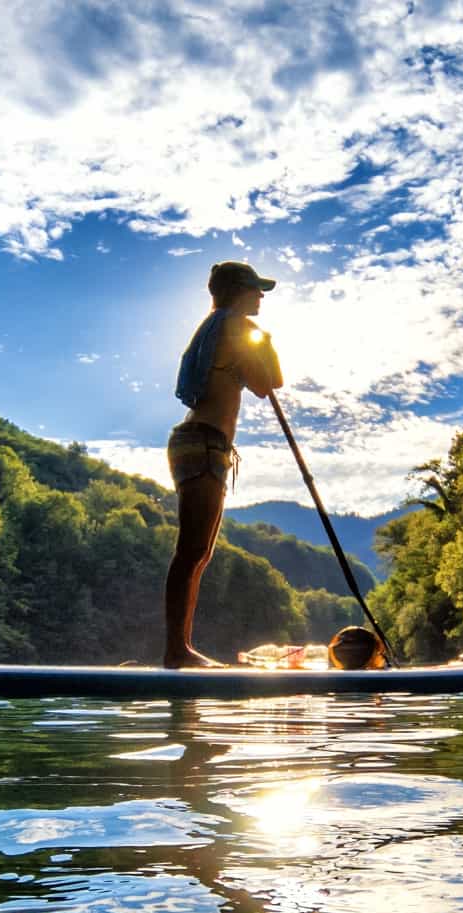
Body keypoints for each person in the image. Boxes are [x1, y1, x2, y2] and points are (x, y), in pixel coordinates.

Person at [163, 261, 284, 668]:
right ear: (238, 290)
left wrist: (260, 341)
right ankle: (177, 652)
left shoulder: (219, 325)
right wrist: (264, 343)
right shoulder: (232, 326)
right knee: (191, 551)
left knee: (199, 554)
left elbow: (264, 384)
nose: (262, 296)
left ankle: (181, 649)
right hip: (202, 444)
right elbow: (268, 384)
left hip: (204, 445)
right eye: (257, 289)